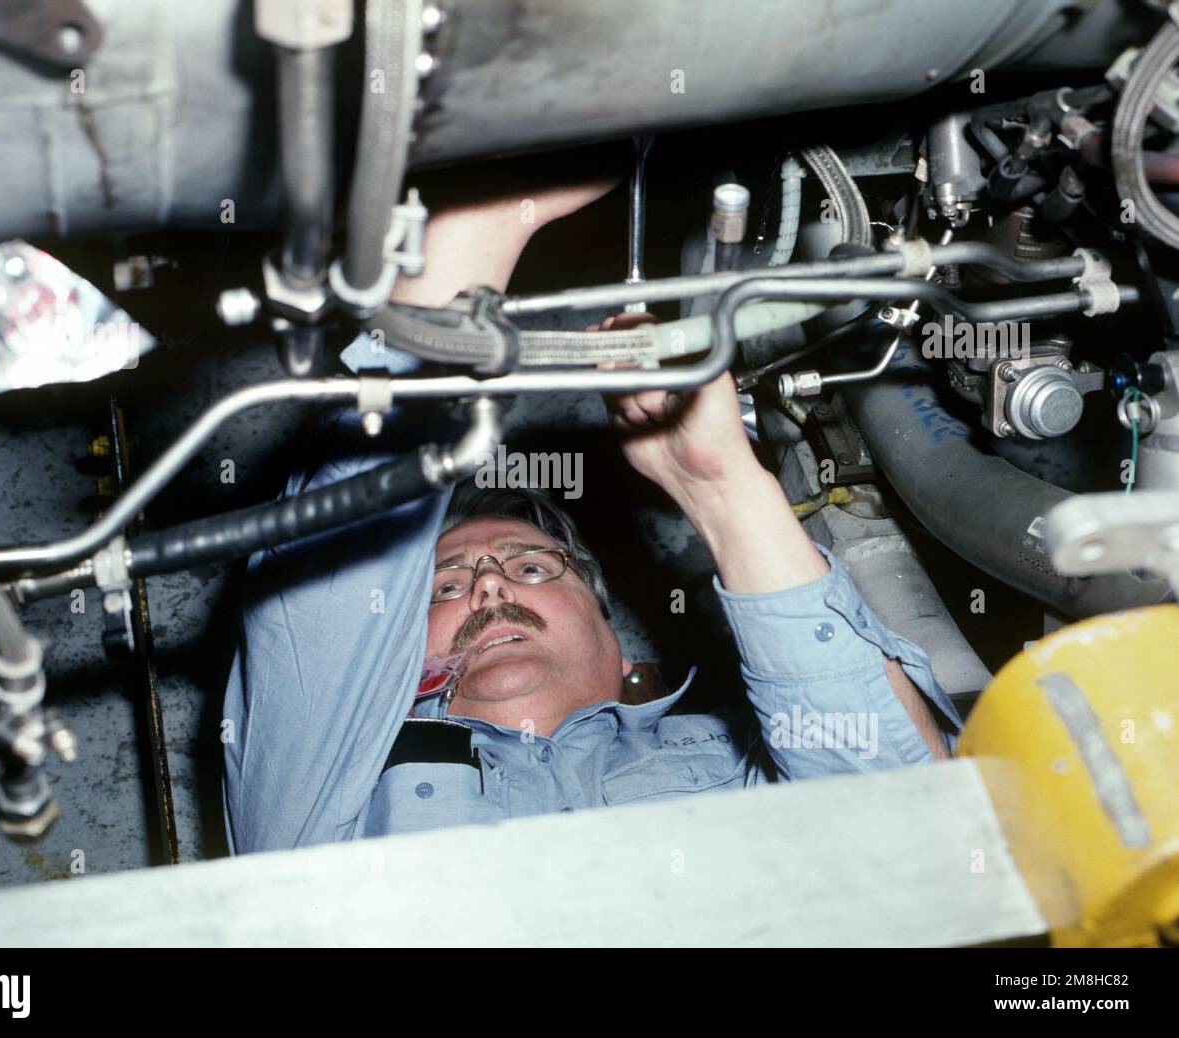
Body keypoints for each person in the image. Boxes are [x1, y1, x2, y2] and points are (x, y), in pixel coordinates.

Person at [222, 164, 962, 853]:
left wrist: (722, 489)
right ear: (392, 667)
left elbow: (910, 831)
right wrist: (450, 285)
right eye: (444, 586)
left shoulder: (735, 764)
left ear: (622, 651)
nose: (488, 588)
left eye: (534, 565)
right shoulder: (323, 809)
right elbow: (321, 610)